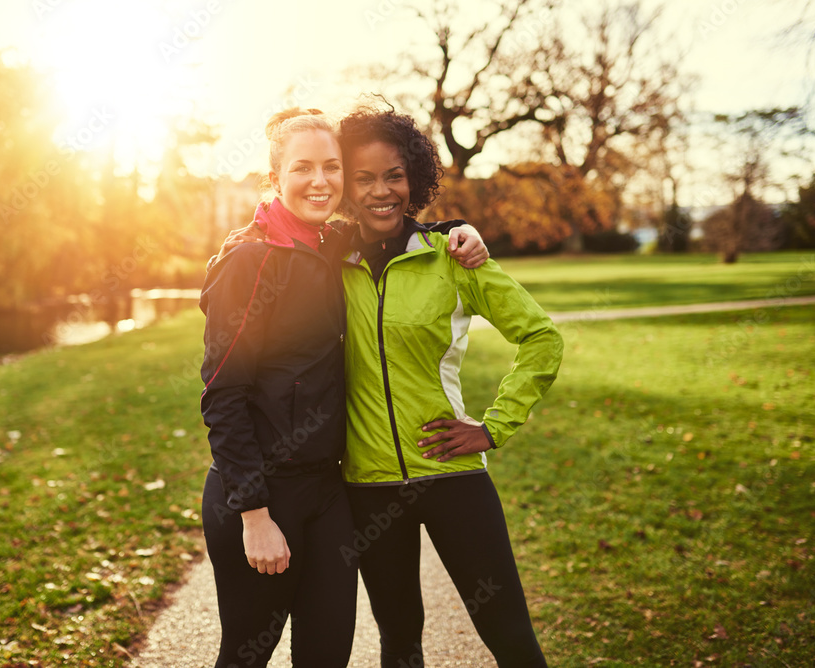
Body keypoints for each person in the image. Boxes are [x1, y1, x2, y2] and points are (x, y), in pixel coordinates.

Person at [199, 108, 485, 667]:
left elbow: (400, 231)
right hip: (260, 496)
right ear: (276, 175)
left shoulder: (334, 244)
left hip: (327, 494)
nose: (321, 181)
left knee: (328, 651)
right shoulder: (250, 260)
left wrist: (459, 233)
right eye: (303, 167)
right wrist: (253, 515)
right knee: (245, 654)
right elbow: (223, 394)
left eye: (332, 167)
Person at [336, 106, 563, 668]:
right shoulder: (326, 261)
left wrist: (493, 427)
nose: (380, 190)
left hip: (452, 477)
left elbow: (541, 338)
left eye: (393, 174)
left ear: (414, 177)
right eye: (362, 178)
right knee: (399, 642)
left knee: (509, 633)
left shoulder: (454, 256)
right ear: (343, 184)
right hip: (367, 485)